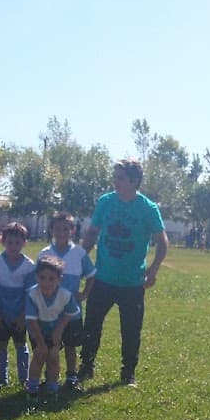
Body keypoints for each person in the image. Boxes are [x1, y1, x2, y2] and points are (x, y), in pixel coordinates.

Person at [78, 159, 168, 388]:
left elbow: (162, 242)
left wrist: (153, 270)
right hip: (103, 278)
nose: (115, 182)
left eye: (120, 178)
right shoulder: (106, 202)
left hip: (132, 282)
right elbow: (92, 233)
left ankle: (128, 373)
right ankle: (86, 367)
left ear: (133, 181)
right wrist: (77, 261)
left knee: (131, 330)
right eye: (115, 177)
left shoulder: (148, 208)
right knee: (92, 326)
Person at [37, 211, 95, 391]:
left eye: (66, 229)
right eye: (57, 228)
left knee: (70, 346)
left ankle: (71, 377)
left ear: (72, 230)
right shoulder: (44, 253)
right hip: (50, 312)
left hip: (72, 313)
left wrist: (84, 293)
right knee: (50, 346)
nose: (61, 232)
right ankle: (50, 377)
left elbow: (92, 275)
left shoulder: (79, 253)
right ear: (51, 230)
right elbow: (37, 279)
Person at [0, 221, 36, 388]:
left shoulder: (29, 266)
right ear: (2, 241)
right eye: (9, 242)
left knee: (21, 344)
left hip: (20, 314)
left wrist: (23, 316)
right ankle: (2, 379)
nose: (13, 246)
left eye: (17, 242)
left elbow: (30, 295)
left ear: (24, 243)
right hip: (1, 314)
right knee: (1, 345)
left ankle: (23, 379)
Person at [24, 256, 80, 402]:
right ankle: (32, 388)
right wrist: (40, 342)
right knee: (39, 355)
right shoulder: (32, 294)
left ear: (59, 279)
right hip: (37, 330)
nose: (46, 282)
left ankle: (52, 388)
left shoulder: (65, 295)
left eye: (51, 278)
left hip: (55, 329)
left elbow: (70, 313)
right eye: (42, 278)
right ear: (36, 277)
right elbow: (32, 320)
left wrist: (60, 329)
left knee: (54, 357)